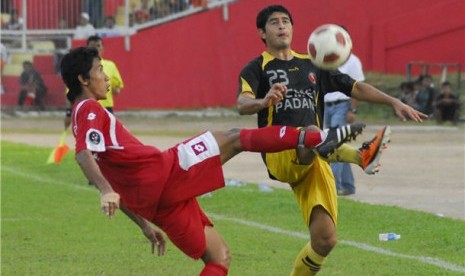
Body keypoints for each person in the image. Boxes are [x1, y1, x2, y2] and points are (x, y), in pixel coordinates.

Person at [60, 46, 365, 276]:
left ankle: (316, 139)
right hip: (163, 172)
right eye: (100, 70)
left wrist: (143, 224)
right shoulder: (88, 108)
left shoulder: (80, 115)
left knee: (219, 258)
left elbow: (114, 179)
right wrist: (103, 190)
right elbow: (82, 153)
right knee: (234, 137)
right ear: (83, 79)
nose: (106, 76)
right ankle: (316, 138)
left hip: (152, 202)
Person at [236, 5, 426, 275]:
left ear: (292, 28)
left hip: (314, 155)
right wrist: (263, 100)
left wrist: (392, 100)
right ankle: (360, 156)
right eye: (274, 23)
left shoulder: (313, 65)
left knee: (325, 240)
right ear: (262, 33)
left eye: (286, 21)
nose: (281, 26)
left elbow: (355, 87)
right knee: (311, 131)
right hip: (280, 152)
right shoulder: (257, 67)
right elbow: (242, 103)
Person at [323, 34, 364, 196]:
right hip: (327, 105)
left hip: (342, 105)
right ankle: (348, 185)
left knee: (334, 142)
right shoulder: (325, 60)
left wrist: (352, 110)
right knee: (339, 144)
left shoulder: (353, 61)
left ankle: (332, 186)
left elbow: (357, 87)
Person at [64, 35, 124, 129]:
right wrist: (68, 112)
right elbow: (71, 91)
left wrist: (109, 87)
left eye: (98, 45)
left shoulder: (111, 65)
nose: (96, 48)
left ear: (102, 48)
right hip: (88, 108)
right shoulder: (82, 67)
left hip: (106, 107)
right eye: (93, 46)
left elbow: (117, 90)